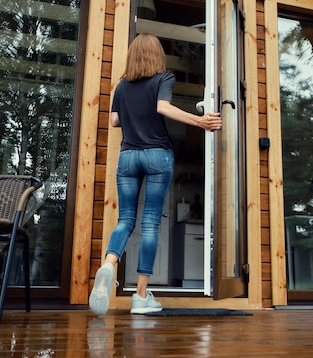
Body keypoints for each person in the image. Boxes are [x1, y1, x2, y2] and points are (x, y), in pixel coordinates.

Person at [89, 33, 223, 315]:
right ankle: (140, 296)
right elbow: (162, 107)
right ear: (157, 55)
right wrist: (199, 121)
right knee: (150, 224)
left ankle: (109, 264)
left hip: (128, 156)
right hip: (157, 155)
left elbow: (114, 120)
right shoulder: (164, 78)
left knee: (125, 219)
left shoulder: (122, 85)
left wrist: (132, 115)